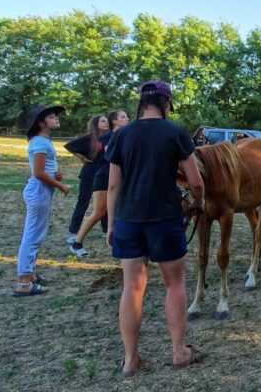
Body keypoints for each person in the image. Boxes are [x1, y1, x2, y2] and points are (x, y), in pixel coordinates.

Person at [106, 81, 204, 376]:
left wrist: (111, 223)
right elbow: (196, 181)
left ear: (141, 103)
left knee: (132, 288)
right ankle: (179, 352)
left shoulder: (122, 134)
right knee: (174, 284)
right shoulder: (176, 132)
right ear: (167, 103)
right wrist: (199, 202)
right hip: (165, 218)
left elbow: (113, 185)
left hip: (128, 219)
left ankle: (130, 359)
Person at [13, 105, 70, 297]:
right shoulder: (40, 142)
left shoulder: (44, 141)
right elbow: (37, 173)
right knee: (33, 236)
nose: (56, 119)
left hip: (43, 191)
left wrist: (55, 175)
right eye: (52, 117)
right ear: (41, 122)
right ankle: (23, 282)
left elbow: (44, 169)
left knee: (37, 233)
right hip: (38, 191)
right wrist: (60, 185)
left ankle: (29, 275)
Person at [69, 110, 129, 256]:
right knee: (99, 212)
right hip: (104, 177)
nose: (127, 119)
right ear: (114, 121)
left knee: (118, 212)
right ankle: (77, 244)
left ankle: (120, 246)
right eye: (123, 117)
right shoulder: (109, 136)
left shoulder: (124, 135)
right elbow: (110, 152)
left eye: (127, 116)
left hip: (119, 178)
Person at [64, 114, 109, 244]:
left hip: (102, 175)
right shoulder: (89, 138)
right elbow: (70, 146)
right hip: (89, 174)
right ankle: (73, 232)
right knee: (83, 202)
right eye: (102, 121)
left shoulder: (108, 137)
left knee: (104, 204)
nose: (106, 123)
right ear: (96, 123)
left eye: (106, 121)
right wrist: (82, 158)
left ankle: (105, 231)